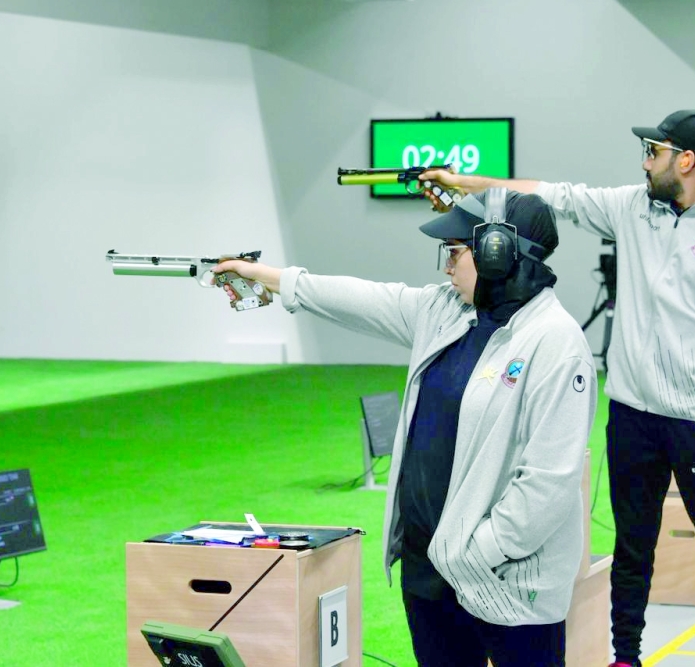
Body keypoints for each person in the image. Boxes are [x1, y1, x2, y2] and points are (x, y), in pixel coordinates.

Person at [420, 110, 695, 667]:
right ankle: (625, 656)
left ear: (686, 160)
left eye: (653, 152)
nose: (644, 161)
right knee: (632, 549)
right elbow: (550, 194)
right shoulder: (632, 207)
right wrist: (463, 183)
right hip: (633, 417)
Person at [215, 190, 597, 667]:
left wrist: (474, 553)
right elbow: (363, 299)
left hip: (506, 585)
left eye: (455, 252)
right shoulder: (444, 310)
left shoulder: (556, 344)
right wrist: (269, 278)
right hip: (430, 575)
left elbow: (548, 484)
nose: (446, 267)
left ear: (497, 254)